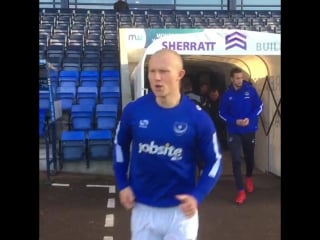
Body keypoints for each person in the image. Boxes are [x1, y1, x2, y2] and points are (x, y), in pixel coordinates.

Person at [113, 49, 222, 240]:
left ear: (180, 75)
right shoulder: (134, 111)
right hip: (143, 209)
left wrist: (198, 194)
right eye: (152, 71)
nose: (156, 78)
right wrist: (123, 184)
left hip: (181, 213)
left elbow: (215, 161)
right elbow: (119, 146)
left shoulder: (198, 118)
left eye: (163, 71)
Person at [219, 67, 263, 205]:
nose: (240, 80)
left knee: (249, 157)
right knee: (236, 159)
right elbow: (222, 113)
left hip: (249, 130)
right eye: (237, 78)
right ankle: (240, 190)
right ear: (232, 79)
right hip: (234, 131)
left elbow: (259, 106)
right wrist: (235, 121)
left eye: (241, 77)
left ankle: (248, 177)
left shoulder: (250, 90)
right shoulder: (226, 95)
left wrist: (249, 118)